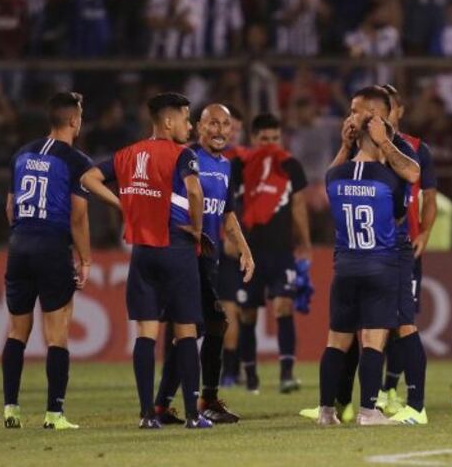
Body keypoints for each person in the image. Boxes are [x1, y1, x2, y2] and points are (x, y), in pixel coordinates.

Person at [82, 92, 212, 429]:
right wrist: (198, 229)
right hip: (176, 247)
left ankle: (146, 415)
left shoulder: (128, 154)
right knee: (185, 331)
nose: (189, 126)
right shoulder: (182, 155)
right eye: (185, 118)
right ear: (168, 122)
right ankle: (193, 415)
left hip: (142, 253)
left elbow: (88, 178)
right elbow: (194, 191)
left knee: (146, 333)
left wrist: (122, 205)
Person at [152, 104, 254, 425]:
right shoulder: (186, 158)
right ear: (198, 127)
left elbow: (227, 213)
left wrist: (245, 250)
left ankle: (164, 405)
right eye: (212, 124)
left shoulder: (225, 166)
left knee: (198, 328)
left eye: (225, 124)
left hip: (209, 260)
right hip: (186, 256)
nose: (219, 130)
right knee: (208, 324)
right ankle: (203, 401)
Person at [2, 92, 93, 430]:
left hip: (19, 246)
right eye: (80, 116)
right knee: (57, 334)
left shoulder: (22, 154)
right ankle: (54, 414)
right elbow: (78, 217)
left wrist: (22, 234)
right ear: (73, 121)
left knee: (16, 331)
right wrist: (85, 259)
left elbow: (10, 207)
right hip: (52, 248)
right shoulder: (77, 161)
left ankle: (11, 409)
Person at [313, 114, 408, 426]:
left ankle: (326, 412)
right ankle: (368, 411)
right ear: (381, 140)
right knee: (372, 340)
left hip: (345, 267)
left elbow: (328, 185)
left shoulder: (334, 175)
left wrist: (345, 146)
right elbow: (398, 214)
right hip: (379, 265)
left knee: (336, 342)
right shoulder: (388, 178)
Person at [219, 113, 312, 394]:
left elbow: (298, 205)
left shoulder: (290, 165)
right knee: (247, 314)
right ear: (253, 139)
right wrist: (228, 237)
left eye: (275, 138)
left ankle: (287, 374)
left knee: (284, 306)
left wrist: (305, 241)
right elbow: (225, 204)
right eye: (264, 139)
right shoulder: (238, 166)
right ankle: (251, 376)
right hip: (250, 252)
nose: (270, 144)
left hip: (281, 250)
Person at [375, 84, 437, 423]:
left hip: (404, 244)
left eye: (390, 107)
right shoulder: (366, 146)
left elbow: (430, 197)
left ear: (398, 111)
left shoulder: (417, 149)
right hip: (373, 245)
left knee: (402, 322)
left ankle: (392, 391)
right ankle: (360, 398)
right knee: (373, 323)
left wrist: (424, 233)